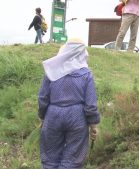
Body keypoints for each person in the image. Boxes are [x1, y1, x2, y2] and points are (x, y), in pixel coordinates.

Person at [38, 38, 100, 168]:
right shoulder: (86, 74)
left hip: (53, 115)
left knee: (50, 157)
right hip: (77, 117)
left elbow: (43, 97)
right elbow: (90, 105)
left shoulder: (51, 70)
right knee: (73, 159)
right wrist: (93, 124)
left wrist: (42, 116)